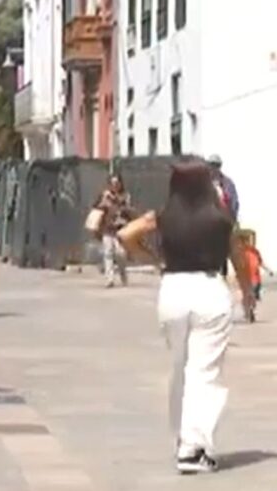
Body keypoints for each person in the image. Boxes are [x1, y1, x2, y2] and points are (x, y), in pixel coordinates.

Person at [119, 158, 254, 474]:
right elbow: (238, 257)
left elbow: (126, 235)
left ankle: (182, 438)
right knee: (204, 371)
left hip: (173, 290)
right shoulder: (222, 219)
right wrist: (247, 293)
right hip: (209, 291)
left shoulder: (164, 217)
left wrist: (153, 259)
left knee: (181, 367)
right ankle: (194, 449)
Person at [96, 174, 135, 288]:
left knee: (121, 254)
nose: (114, 186)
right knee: (108, 254)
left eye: (116, 183)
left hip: (120, 229)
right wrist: (103, 203)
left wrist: (117, 202)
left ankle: (123, 276)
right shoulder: (105, 195)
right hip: (107, 229)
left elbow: (129, 209)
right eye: (112, 183)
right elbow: (97, 207)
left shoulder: (125, 196)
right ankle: (110, 280)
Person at [238, 229, 271, 308]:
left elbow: (260, 262)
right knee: (248, 292)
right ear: (244, 241)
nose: (252, 242)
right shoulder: (241, 252)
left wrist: (268, 270)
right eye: (249, 240)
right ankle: (247, 305)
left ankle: (252, 301)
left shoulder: (256, 251)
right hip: (246, 277)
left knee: (256, 291)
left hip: (256, 277)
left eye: (253, 240)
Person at [207, 155, 239, 221]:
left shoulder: (228, 182)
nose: (213, 167)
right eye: (211, 165)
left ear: (219, 166)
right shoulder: (205, 182)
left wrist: (231, 217)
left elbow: (234, 202)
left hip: (224, 219)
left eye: (216, 165)